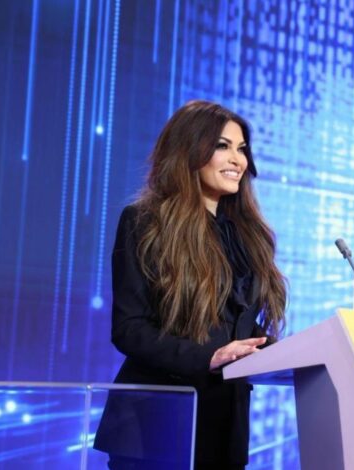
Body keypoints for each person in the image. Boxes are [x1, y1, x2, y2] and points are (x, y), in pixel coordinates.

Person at [94, 100, 287, 469]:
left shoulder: (246, 236)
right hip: (155, 426)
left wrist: (277, 351)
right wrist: (208, 357)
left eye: (242, 149)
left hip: (223, 427)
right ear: (190, 149)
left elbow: (235, 323)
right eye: (222, 146)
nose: (237, 160)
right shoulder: (145, 222)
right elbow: (130, 329)